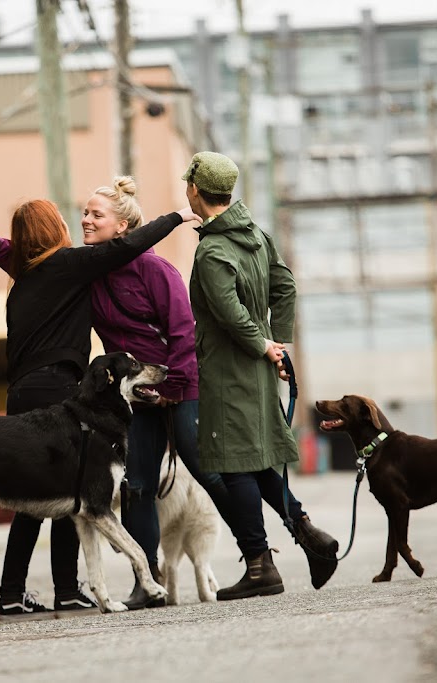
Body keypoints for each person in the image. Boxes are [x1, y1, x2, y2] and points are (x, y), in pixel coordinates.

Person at [82, 176, 339, 607]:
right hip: (140, 396)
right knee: (138, 486)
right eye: (84, 213)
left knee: (218, 472)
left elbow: (183, 333)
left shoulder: (156, 270)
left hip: (183, 385)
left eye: (95, 214)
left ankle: (274, 551)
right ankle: (148, 583)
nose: (86, 220)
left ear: (123, 226)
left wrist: (177, 387)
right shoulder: (89, 275)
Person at [0, 197, 200, 621]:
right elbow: (126, 247)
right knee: (73, 491)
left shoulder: (26, 278)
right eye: (63, 219)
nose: (74, 223)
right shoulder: (66, 265)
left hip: (19, 393)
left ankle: (11, 594)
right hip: (57, 389)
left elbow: (22, 253)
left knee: (30, 500)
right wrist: (176, 217)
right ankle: (65, 590)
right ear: (52, 232)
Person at [183, 151, 340, 600]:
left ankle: (259, 567)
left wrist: (261, 343)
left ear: (196, 189)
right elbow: (285, 285)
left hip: (229, 369)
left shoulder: (213, 249)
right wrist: (277, 342)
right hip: (258, 367)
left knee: (234, 465)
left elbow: (229, 312)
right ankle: (309, 534)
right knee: (255, 460)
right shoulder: (255, 234)